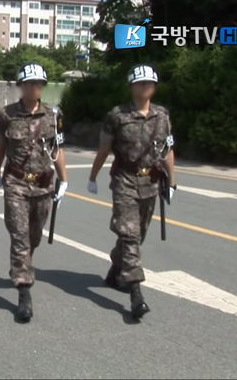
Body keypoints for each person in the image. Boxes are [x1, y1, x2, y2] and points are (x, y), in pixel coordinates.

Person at [87, 64, 176, 320]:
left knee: (138, 235)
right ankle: (136, 294)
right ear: (131, 86)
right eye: (140, 82)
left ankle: (116, 269)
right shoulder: (116, 115)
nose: (145, 86)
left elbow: (168, 150)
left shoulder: (162, 115)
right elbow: (104, 150)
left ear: (155, 86)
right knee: (129, 234)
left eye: (150, 82)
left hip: (152, 183)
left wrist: (172, 182)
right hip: (124, 181)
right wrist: (93, 176)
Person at [0, 63, 69, 323]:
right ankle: (24, 292)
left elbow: (57, 151)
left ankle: (24, 263)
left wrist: (65, 179)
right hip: (15, 182)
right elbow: (1, 146)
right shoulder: (6, 115)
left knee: (34, 236)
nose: (34, 87)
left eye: (39, 83)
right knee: (20, 235)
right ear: (21, 85)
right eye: (29, 83)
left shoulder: (53, 116)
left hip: (44, 184)